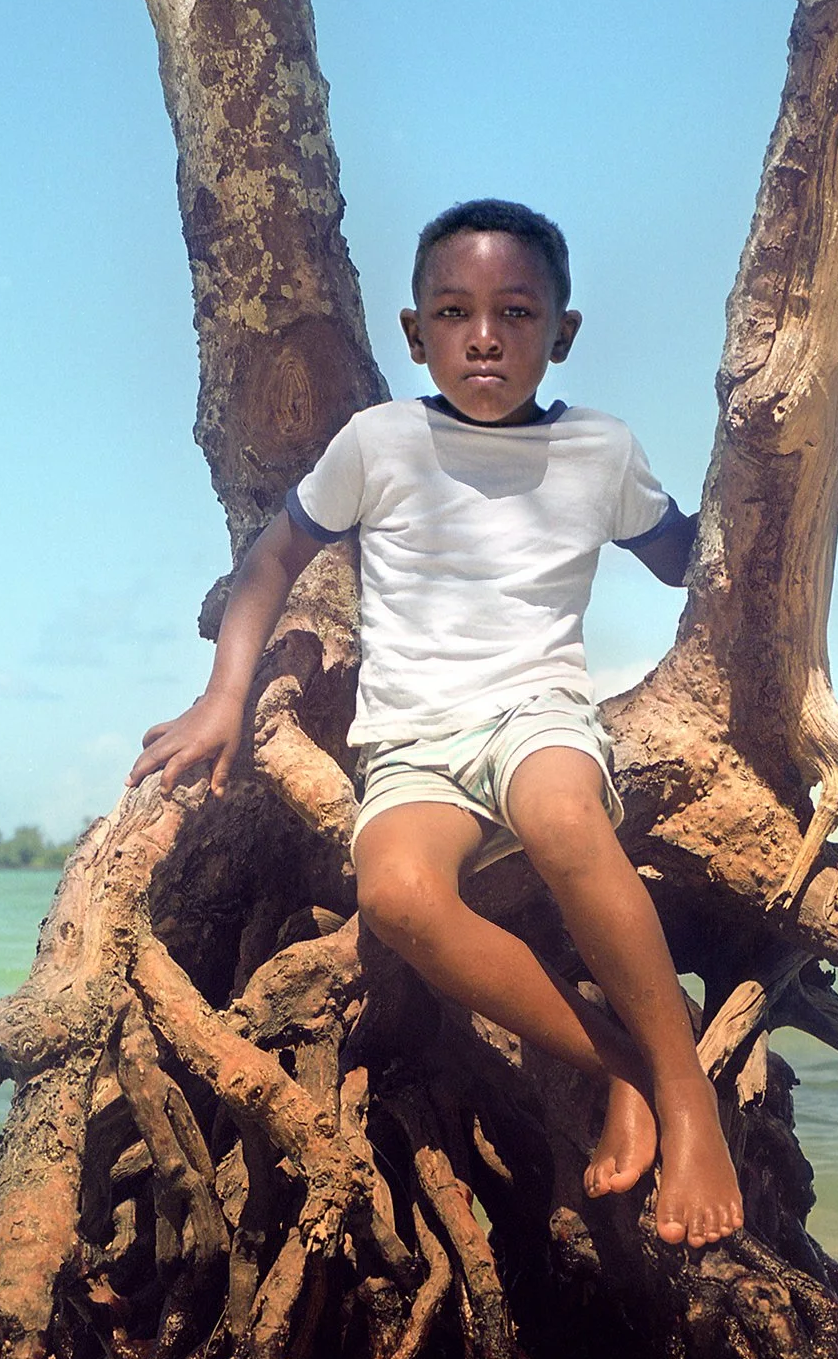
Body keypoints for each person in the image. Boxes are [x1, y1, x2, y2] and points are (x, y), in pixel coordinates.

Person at [129, 197, 747, 1246]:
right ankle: (628, 1062)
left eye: (515, 312)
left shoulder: (600, 450)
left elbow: (693, 559)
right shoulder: (381, 442)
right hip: (412, 741)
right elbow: (273, 558)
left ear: (563, 331)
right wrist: (224, 697)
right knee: (401, 896)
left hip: (536, 714)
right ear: (416, 334)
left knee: (560, 816)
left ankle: (689, 1105)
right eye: (454, 313)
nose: (485, 336)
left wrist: (796, 504)